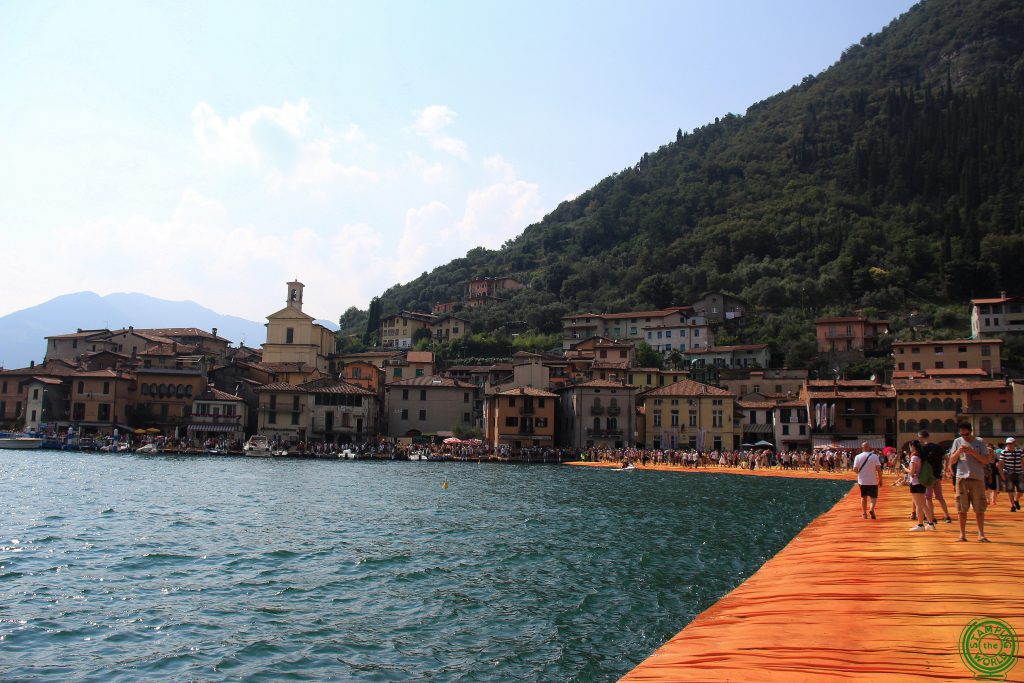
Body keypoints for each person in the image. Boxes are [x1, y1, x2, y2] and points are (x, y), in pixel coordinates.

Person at [950, 422, 994, 542]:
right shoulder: (957, 442)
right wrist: (958, 452)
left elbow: (985, 461)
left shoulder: (980, 442)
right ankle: (962, 535)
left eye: (967, 434)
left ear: (971, 431)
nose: (965, 436)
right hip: (962, 477)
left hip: (977, 477)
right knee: (961, 508)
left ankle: (981, 534)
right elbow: (952, 461)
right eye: (962, 434)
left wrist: (973, 452)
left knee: (979, 507)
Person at [919, 429, 951, 523]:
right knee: (940, 497)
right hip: (937, 474)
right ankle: (947, 516)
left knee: (928, 498)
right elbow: (946, 458)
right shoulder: (938, 447)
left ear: (920, 437)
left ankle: (932, 517)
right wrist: (945, 469)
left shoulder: (923, 448)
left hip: (928, 476)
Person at [907, 440, 934, 531]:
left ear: (913, 447)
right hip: (921, 482)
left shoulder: (914, 458)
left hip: (915, 483)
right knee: (923, 504)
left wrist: (906, 469)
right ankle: (930, 523)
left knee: (919, 505)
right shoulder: (921, 456)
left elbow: (912, 472)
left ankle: (920, 525)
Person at [853, 442, 883, 519]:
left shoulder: (858, 456)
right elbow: (879, 469)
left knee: (863, 497)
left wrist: (860, 472)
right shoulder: (874, 456)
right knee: (873, 497)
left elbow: (855, 469)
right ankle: (871, 509)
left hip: (862, 481)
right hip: (872, 481)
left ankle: (864, 514)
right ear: (869, 448)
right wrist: (880, 479)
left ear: (862, 448)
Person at [1002, 437, 1023, 511]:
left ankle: (1016, 500)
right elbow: (1000, 464)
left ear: (1014, 443)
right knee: (1010, 490)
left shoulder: (1019, 452)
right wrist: (1002, 475)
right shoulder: (1004, 452)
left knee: (1021, 490)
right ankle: (1012, 506)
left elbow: (1022, 462)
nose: (1009, 445)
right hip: (1008, 473)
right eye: (1008, 443)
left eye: (1011, 443)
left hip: (1019, 472)